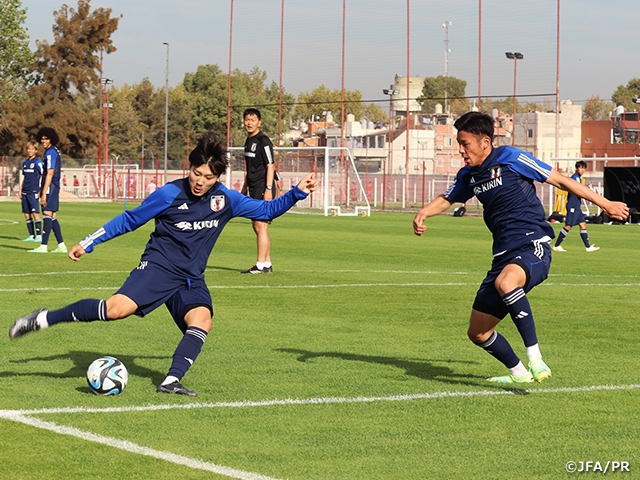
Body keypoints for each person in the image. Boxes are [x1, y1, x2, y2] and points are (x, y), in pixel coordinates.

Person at [9, 135, 317, 396]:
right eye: (197, 173)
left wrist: (298, 191)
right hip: (158, 268)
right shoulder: (169, 194)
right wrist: (89, 242)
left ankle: (171, 381)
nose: (200, 181)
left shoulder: (226, 199)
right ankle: (46, 318)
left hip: (190, 278)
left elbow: (267, 209)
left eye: (209, 177)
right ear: (190, 167)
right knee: (114, 310)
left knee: (202, 320)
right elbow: (130, 220)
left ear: (218, 177)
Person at [412, 111, 628, 384]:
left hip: (532, 244)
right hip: (502, 254)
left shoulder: (511, 158)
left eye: (465, 143)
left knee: (507, 282)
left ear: (485, 142)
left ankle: (535, 358)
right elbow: (449, 197)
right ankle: (519, 373)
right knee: (478, 332)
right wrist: (423, 213)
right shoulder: (469, 175)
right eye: (459, 143)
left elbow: (562, 180)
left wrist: (605, 204)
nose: (460, 150)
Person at [240, 108, 276, 274]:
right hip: (253, 187)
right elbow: (250, 168)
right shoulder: (248, 141)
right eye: (247, 119)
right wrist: (245, 187)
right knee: (259, 227)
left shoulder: (264, 141)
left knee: (259, 225)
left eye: (252, 120)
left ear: (259, 122)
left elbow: (270, 165)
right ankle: (266, 264)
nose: (249, 122)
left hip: (263, 187)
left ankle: (260, 265)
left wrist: (268, 189)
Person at [30, 127, 67, 254]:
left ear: (51, 139)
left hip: (51, 185)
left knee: (46, 212)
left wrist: (44, 192)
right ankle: (61, 245)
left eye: (46, 139)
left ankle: (44, 246)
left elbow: (50, 173)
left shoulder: (50, 153)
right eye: (42, 139)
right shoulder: (53, 151)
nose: (43, 141)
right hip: (52, 186)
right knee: (52, 216)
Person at [552, 160, 600, 253]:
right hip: (573, 205)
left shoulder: (578, 178)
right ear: (576, 168)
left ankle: (588, 247)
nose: (582, 170)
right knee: (569, 226)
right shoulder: (575, 178)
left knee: (583, 225)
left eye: (583, 168)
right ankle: (557, 245)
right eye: (580, 168)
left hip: (577, 206)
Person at [18, 141, 44, 242]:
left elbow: (43, 175)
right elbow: (25, 178)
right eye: (28, 149)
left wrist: (40, 190)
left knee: (35, 213)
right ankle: (31, 235)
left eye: (32, 149)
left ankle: (38, 235)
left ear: (36, 150)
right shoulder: (25, 163)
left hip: (34, 191)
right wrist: (20, 189)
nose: (30, 151)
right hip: (25, 191)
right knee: (26, 214)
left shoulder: (38, 162)